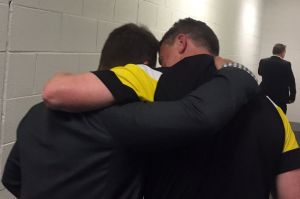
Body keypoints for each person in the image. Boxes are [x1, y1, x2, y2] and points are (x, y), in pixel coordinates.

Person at [43, 18, 300, 198]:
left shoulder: (152, 79)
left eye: (163, 57)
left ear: (181, 42)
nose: (161, 64)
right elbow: (292, 193)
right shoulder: (273, 112)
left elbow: (57, 92)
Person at [258, 43, 296, 113]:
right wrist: (292, 97)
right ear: (282, 52)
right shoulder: (286, 64)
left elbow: (260, 72)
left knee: (265, 115)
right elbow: (291, 82)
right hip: (281, 97)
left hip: (265, 95)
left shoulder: (263, 61)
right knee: (280, 117)